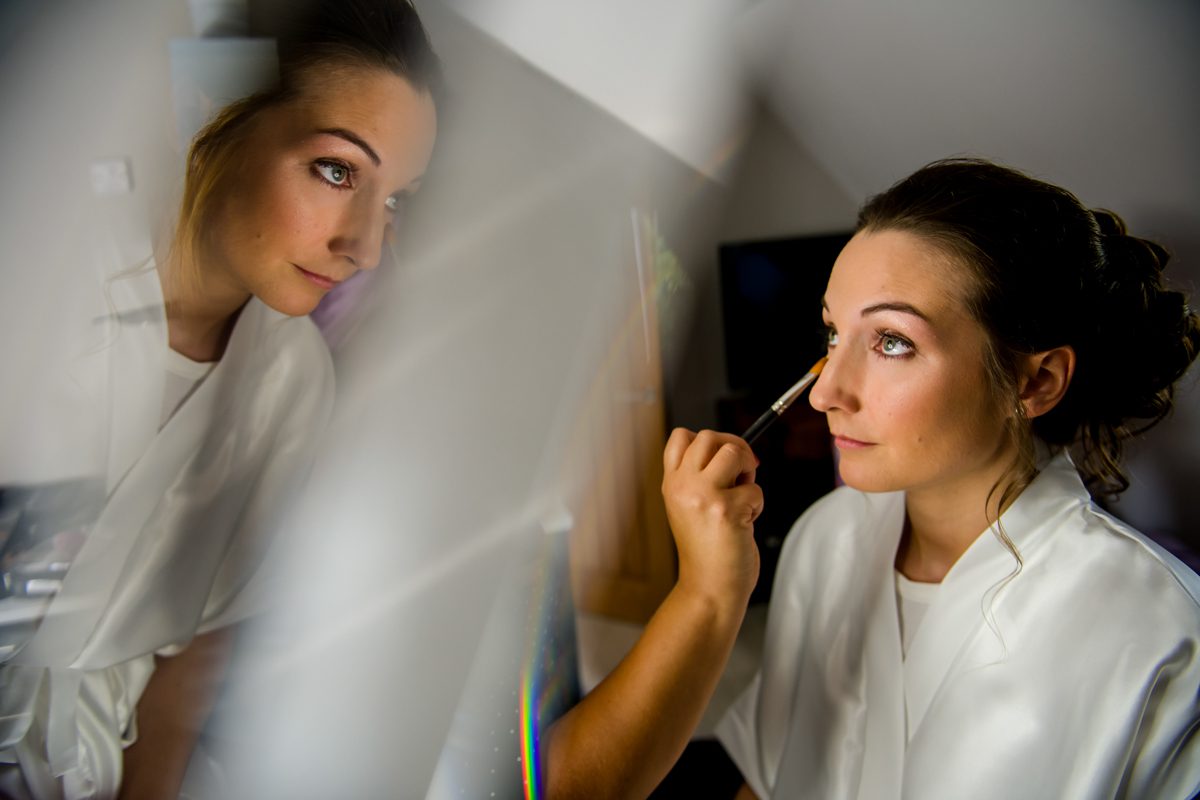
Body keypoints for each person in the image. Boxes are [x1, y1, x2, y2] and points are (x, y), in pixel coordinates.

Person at [0, 1, 439, 797]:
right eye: (337, 170)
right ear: (213, 111)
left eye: (394, 199)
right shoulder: (37, 277)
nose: (365, 246)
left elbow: (194, 654)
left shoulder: (295, 386)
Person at [714, 158, 1200, 799]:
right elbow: (769, 783)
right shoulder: (822, 541)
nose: (825, 392)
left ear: (1036, 382)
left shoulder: (1159, 629)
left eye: (891, 341)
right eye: (834, 333)